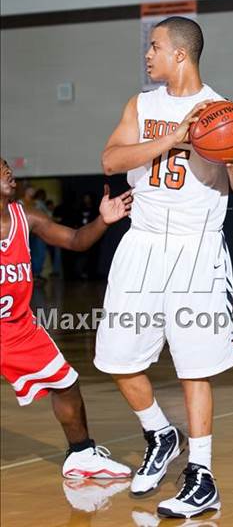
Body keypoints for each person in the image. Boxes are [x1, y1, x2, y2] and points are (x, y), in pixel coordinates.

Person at [94, 16, 233, 519]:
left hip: (196, 248)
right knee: (116, 357)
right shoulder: (141, 105)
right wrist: (172, 139)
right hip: (141, 244)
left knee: (195, 364)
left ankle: (202, 477)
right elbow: (109, 160)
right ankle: (160, 434)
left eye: (155, 46)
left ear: (180, 54)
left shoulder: (224, 111)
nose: (148, 54)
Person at [0, 158, 133, 479]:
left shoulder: (26, 217)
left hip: (17, 329)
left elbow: (76, 240)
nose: (8, 171)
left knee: (66, 383)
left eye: (7, 166)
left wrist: (103, 220)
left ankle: (82, 456)